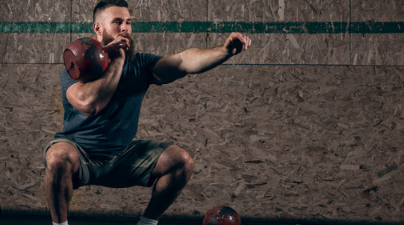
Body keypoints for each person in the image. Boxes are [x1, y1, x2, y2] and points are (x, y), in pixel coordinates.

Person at [42, 1, 251, 225]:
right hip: (80, 155)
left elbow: (184, 61)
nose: (125, 28)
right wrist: (117, 62)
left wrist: (224, 51)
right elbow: (89, 104)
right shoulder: (78, 69)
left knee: (181, 161)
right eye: (117, 22)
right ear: (98, 28)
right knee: (57, 156)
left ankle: (148, 223)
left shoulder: (141, 64)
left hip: (121, 156)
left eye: (128, 22)